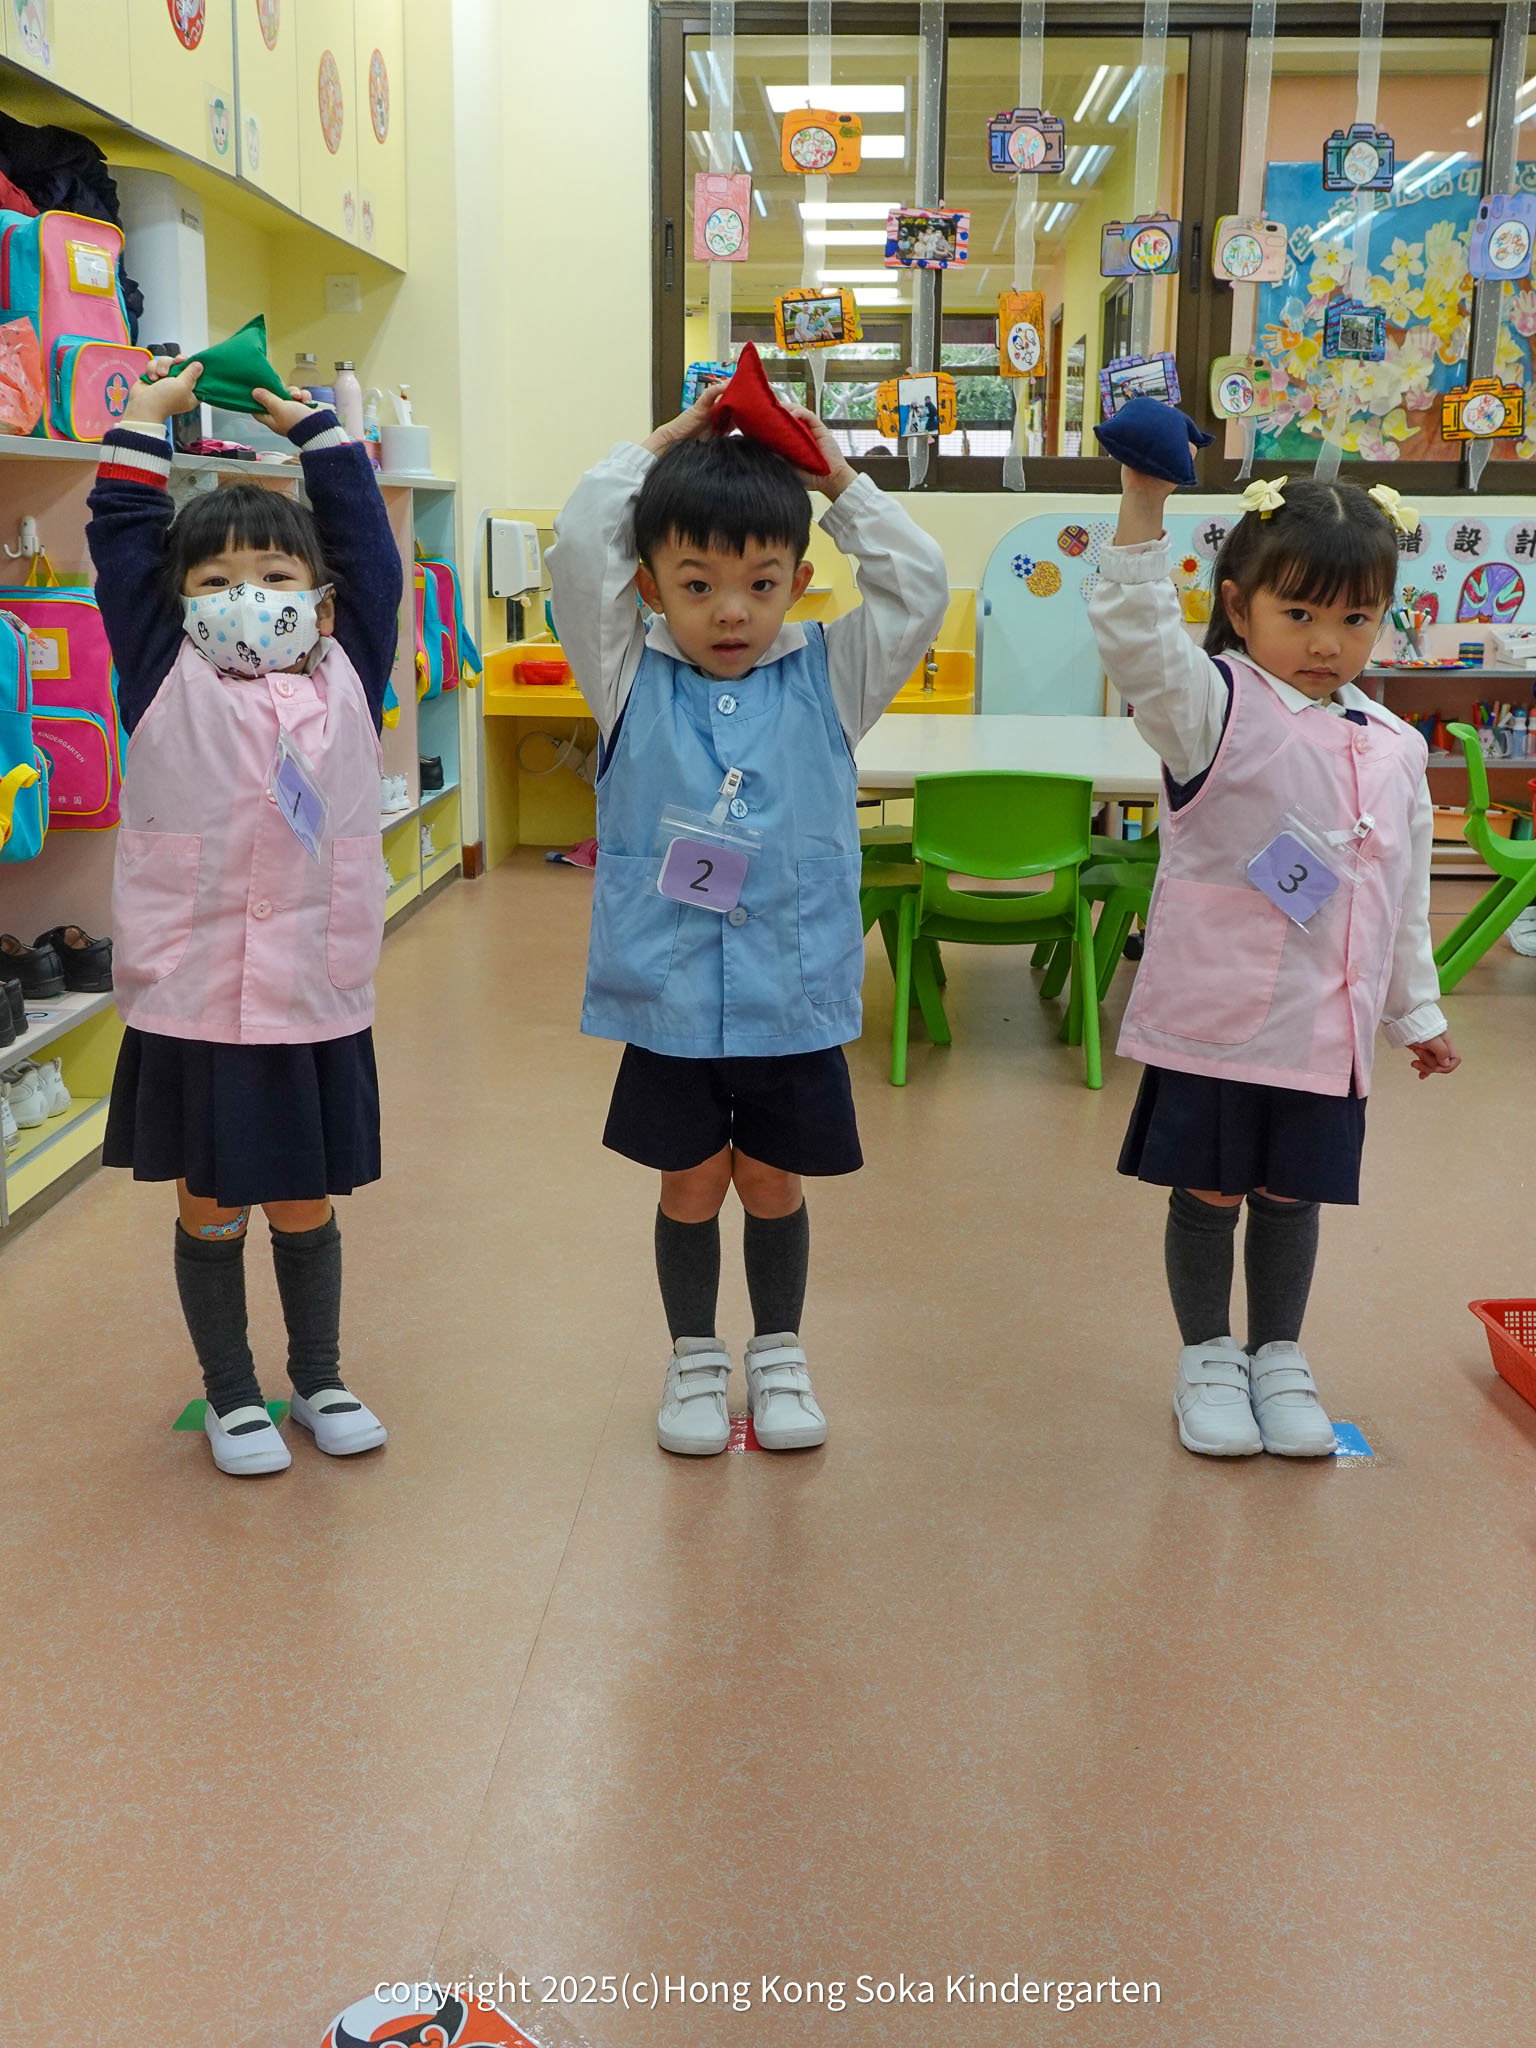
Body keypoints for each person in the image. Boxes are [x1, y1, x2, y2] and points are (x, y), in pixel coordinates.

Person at [549, 383, 948, 1456]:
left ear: (798, 584)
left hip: (789, 993)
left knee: (772, 1180)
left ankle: (778, 1353)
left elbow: (919, 583)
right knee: (689, 1181)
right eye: (697, 585)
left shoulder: (832, 674)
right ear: (649, 587)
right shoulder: (625, 673)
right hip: (670, 997)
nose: (731, 611)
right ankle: (693, 1358)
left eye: (761, 584)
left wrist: (839, 482)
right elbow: (577, 551)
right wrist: (659, 446)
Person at [1089, 461, 1460, 1459]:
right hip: (1221, 1017)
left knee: (1295, 1193)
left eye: (1355, 618)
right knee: (1210, 1192)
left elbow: (1402, 896)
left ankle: (1278, 1353)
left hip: (1325, 1027)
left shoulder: (1395, 744)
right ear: (1239, 607)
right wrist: (1143, 504)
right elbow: (1136, 641)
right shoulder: (1211, 707)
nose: (1326, 642)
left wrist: (1415, 1012)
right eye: (1299, 613)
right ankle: (1207, 1356)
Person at [86, 359, 402, 1477]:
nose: (246, 594)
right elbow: (123, 541)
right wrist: (142, 422)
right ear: (180, 602)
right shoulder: (160, 670)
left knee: (305, 1202)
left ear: (322, 599)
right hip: (197, 994)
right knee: (213, 1202)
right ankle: (232, 1395)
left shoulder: (355, 669)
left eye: (274, 574)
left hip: (313, 991)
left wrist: (319, 434)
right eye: (216, 578)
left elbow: (370, 550)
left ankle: (318, 1376)